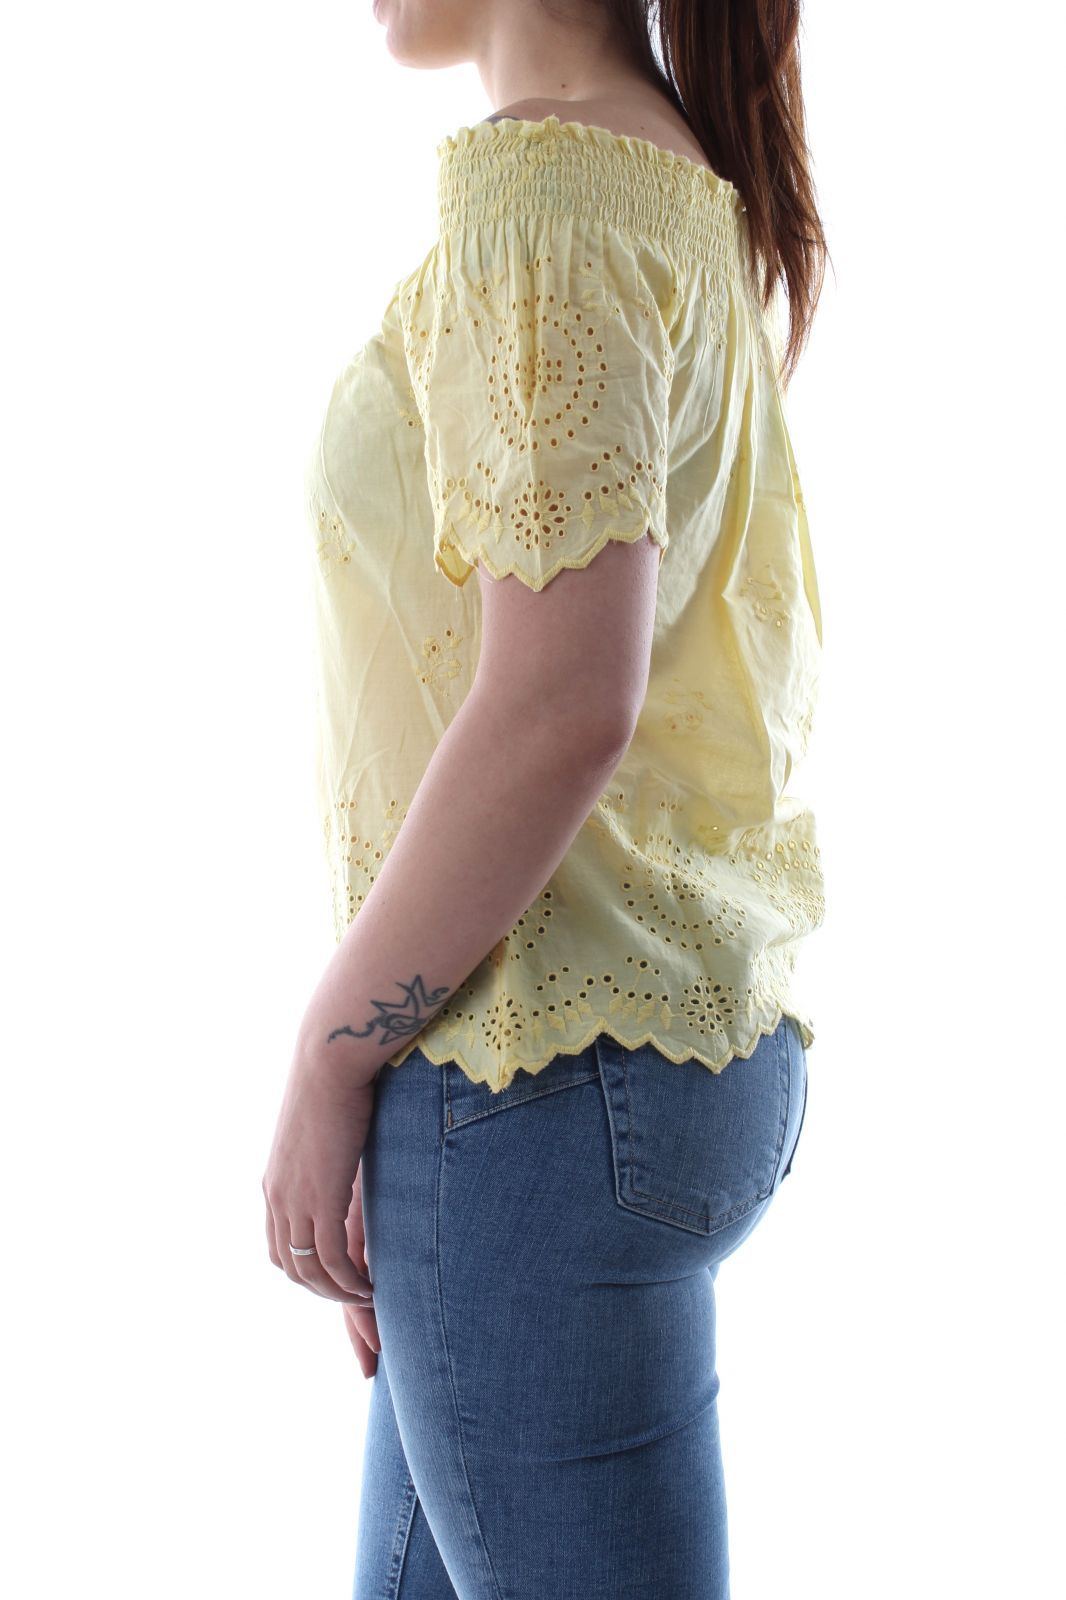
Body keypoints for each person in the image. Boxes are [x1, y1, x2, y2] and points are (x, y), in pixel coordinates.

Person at [261, 2, 830, 1594]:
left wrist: (330, 1057)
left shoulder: (550, 198)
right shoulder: (664, 181)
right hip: (607, 1068)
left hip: (534, 1086)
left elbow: (560, 704)